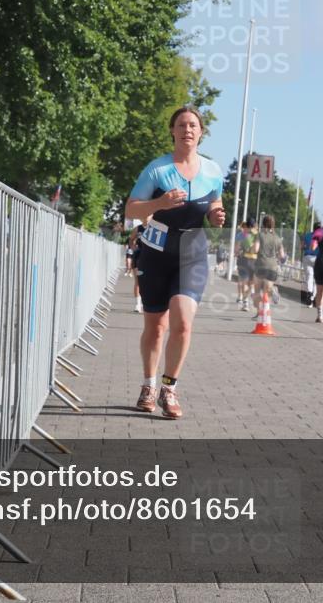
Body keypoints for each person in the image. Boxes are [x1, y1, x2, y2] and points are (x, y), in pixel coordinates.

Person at [125, 107, 225, 419]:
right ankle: (148, 384)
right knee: (156, 328)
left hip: (191, 254)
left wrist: (215, 215)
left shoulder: (213, 170)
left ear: (201, 132)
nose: (187, 130)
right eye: (181, 125)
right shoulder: (157, 169)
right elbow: (131, 210)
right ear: (172, 130)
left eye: (193, 125)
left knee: (183, 323)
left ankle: (169, 388)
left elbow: (215, 202)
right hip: (156, 253)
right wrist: (159, 203)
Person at [252, 215, 286, 318]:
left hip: (260, 265)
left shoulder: (260, 235)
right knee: (267, 290)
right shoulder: (277, 238)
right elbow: (282, 256)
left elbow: (255, 250)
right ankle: (272, 290)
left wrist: (252, 248)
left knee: (257, 291)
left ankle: (259, 312)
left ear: (263, 223)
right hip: (272, 267)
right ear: (273, 225)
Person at [236, 218, 258, 311]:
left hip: (244, 260)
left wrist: (237, 252)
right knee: (251, 283)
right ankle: (249, 295)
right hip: (255, 261)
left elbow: (236, 249)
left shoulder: (242, 235)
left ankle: (245, 302)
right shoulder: (257, 235)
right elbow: (257, 249)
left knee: (243, 281)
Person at [300, 221, 322, 307]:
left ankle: (309, 292)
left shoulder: (307, 235)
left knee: (309, 277)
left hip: (307, 257)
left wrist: (305, 243)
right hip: (317, 258)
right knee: (316, 280)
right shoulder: (322, 237)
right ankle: (312, 298)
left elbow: (302, 247)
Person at [128, 222, 145, 312]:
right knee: (138, 281)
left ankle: (145, 303)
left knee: (149, 282)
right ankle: (138, 304)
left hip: (151, 259)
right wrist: (134, 248)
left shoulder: (156, 228)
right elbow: (131, 239)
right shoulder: (137, 229)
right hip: (139, 257)